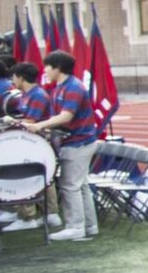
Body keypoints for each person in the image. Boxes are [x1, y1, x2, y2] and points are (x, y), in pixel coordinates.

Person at [25, 50, 99, 241]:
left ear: (57, 67)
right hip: (75, 141)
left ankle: (76, 226)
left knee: (70, 186)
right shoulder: (60, 87)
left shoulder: (72, 87)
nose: (45, 70)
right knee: (80, 186)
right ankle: (90, 225)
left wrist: (39, 126)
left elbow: (66, 116)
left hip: (78, 142)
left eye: (48, 66)